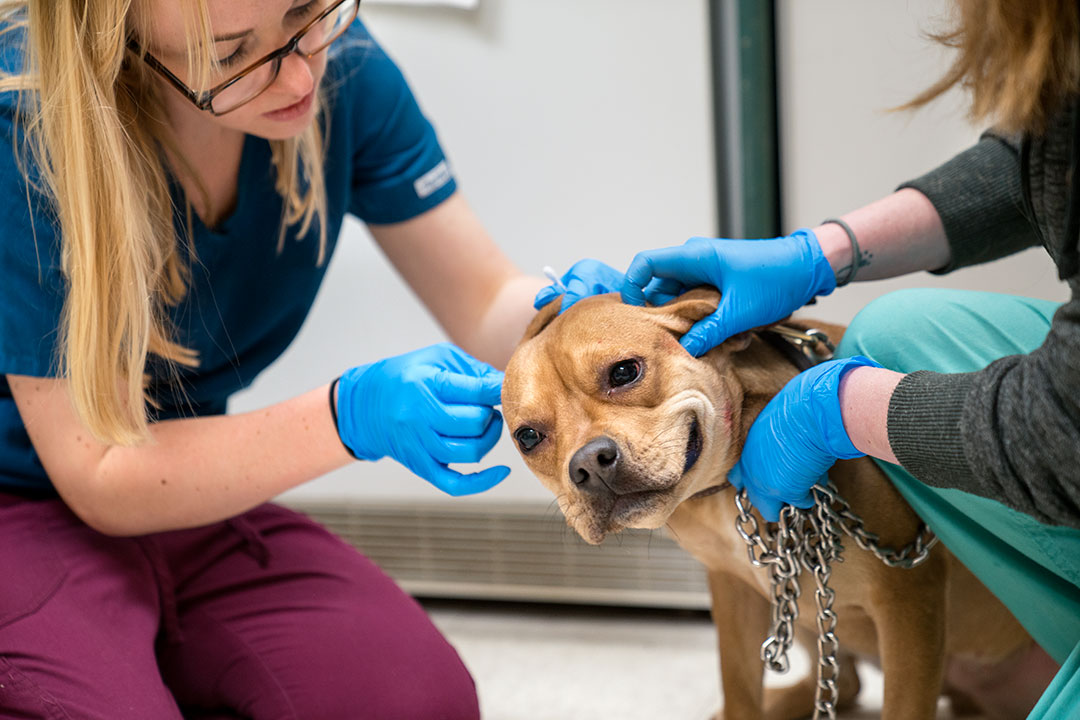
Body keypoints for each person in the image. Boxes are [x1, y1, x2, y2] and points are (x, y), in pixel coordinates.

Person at [0, 1, 546, 718]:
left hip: (178, 494)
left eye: (304, 13)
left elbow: (486, 299)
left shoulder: (340, 67)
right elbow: (100, 471)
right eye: (231, 56)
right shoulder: (24, 128)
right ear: (121, 43)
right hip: (26, 503)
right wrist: (349, 417)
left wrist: (583, 314)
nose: (297, 75)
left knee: (417, 702)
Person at [540, 0, 1080, 715]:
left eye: (624, 375)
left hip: (1006, 634)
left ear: (715, 336)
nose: (590, 452)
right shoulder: (673, 472)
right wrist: (824, 252)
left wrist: (843, 409)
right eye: (534, 436)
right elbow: (1046, 154)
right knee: (894, 330)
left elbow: (1065, 425)